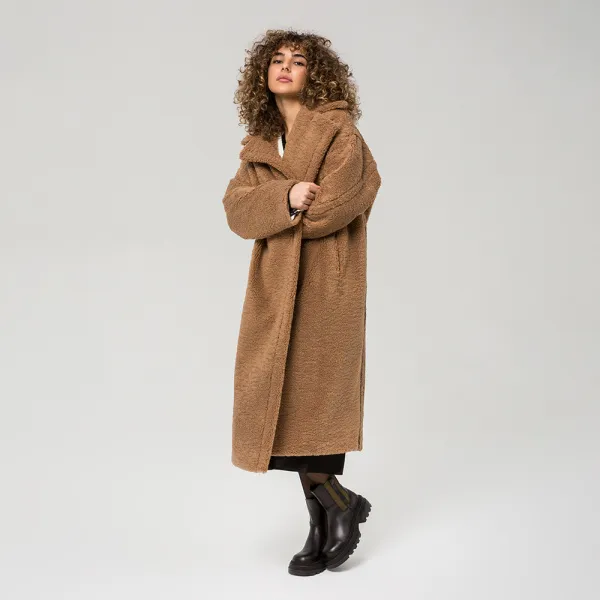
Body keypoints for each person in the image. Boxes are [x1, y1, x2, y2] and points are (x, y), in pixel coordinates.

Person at [222, 29, 382, 575]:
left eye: (298, 60)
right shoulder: (260, 147)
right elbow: (237, 213)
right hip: (273, 291)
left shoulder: (340, 133)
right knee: (285, 409)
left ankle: (337, 510)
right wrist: (286, 197)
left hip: (325, 290)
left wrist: (282, 213)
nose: (285, 66)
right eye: (277, 59)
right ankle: (328, 516)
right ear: (262, 75)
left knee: (314, 405)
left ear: (317, 74)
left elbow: (338, 204)